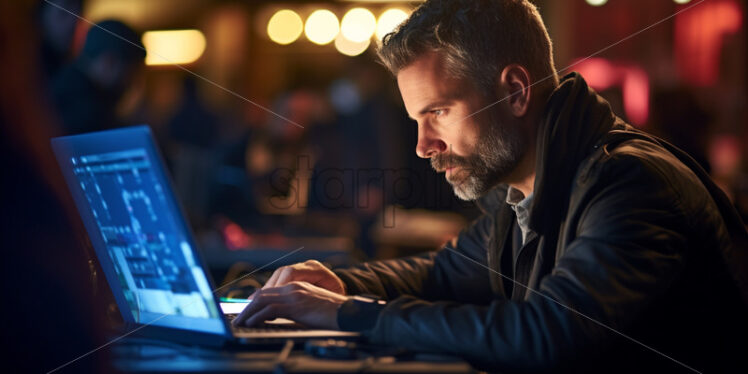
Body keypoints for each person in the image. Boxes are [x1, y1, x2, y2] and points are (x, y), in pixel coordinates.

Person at [233, 0, 748, 372]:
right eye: (416, 119)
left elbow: (548, 335)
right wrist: (341, 284)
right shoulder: (526, 186)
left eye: (437, 112)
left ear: (516, 92)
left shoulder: (631, 184)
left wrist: (348, 314)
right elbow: (445, 271)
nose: (423, 144)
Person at [51, 19, 145, 135]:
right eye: (130, 72)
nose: (131, 83)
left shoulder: (60, 84)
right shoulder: (87, 111)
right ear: (109, 62)